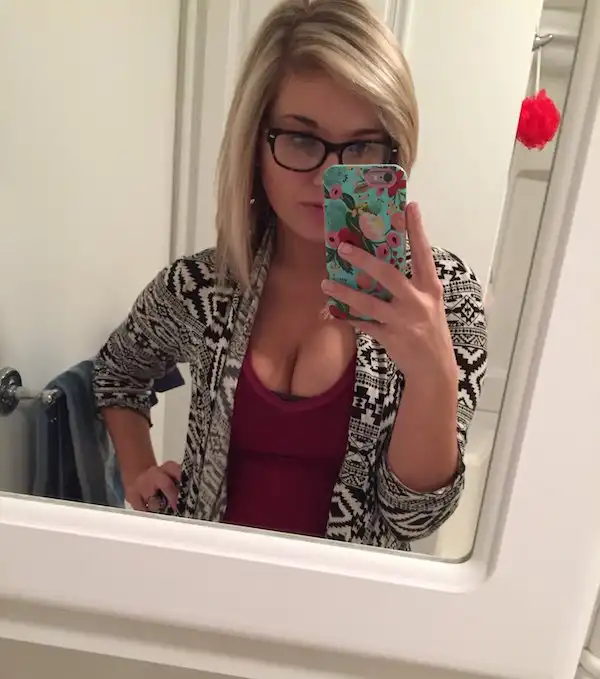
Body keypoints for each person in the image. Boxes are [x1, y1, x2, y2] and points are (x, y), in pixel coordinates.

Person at [93, 0, 488, 551]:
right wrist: (139, 470)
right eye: (302, 139)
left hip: (349, 598)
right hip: (204, 584)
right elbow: (117, 372)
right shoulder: (206, 286)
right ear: (255, 144)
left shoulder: (441, 295)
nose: (329, 174)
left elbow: (413, 521)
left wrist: (433, 374)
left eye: (361, 146)